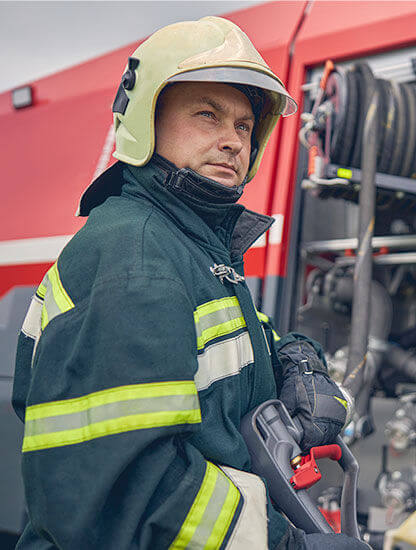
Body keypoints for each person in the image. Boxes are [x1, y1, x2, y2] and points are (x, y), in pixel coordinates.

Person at [13, 16, 365, 550]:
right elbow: (122, 496)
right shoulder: (137, 259)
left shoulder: (195, 248)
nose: (231, 141)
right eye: (208, 115)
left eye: (244, 127)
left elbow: (242, 341)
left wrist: (296, 360)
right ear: (148, 120)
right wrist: (286, 545)